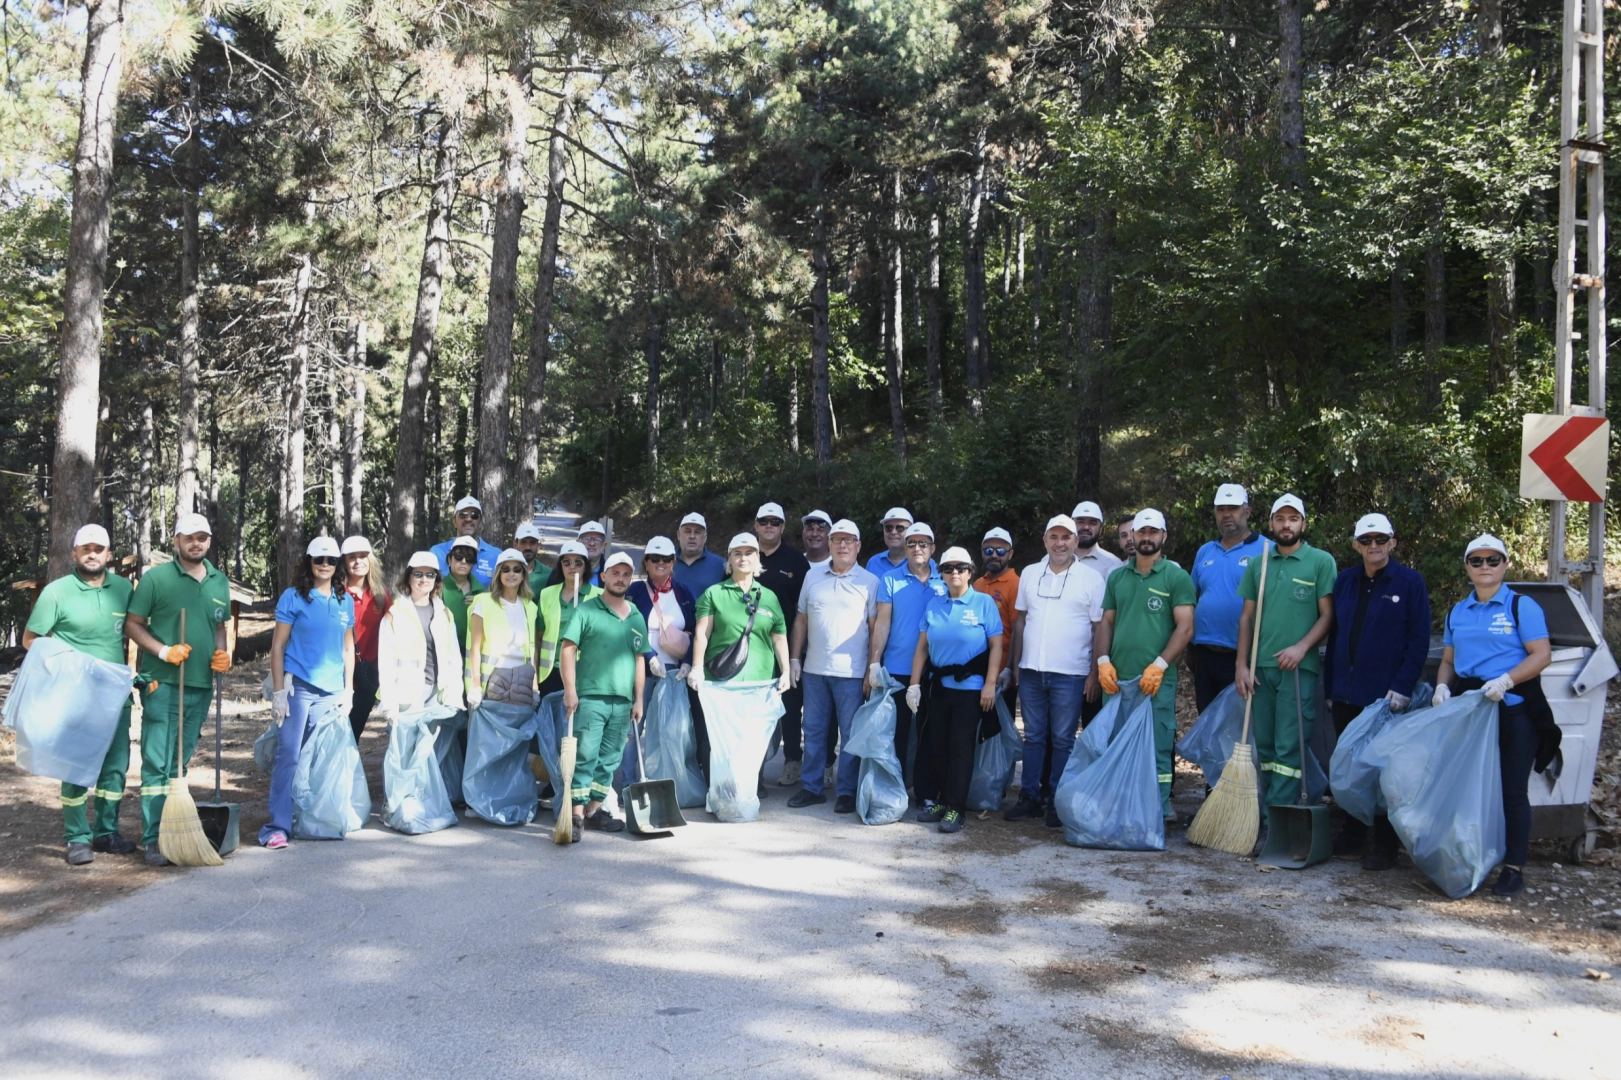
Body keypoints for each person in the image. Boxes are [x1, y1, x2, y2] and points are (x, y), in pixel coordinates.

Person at [1434, 534, 1552, 897]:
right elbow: (1448, 661)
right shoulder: (1458, 611)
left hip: (1513, 710)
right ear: (1467, 566)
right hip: (1471, 713)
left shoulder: (1521, 607)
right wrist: (1441, 687)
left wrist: (1507, 679)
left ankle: (1513, 867)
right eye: (1477, 561)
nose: (1485, 567)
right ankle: (1471, 859)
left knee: (1511, 791)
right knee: (1468, 787)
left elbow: (1541, 654)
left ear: (1505, 565)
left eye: (1493, 560)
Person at [22, 524, 140, 865]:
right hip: (74, 696)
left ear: (109, 555)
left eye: (99, 548)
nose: (92, 553)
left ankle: (106, 832)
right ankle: (77, 837)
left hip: (115, 694)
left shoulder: (122, 589)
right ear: (74, 554)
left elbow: (134, 629)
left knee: (115, 767)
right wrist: (65, 660)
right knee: (75, 766)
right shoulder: (57, 593)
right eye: (85, 548)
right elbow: (32, 639)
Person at [1323, 512, 1431, 869]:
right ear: (1356, 545)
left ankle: (1385, 844)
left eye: (1381, 540)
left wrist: (1401, 687)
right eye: (1366, 540)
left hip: (1385, 697)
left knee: (1385, 771)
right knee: (1351, 765)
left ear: (1393, 543)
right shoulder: (1345, 581)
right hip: (1346, 692)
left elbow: (1418, 640)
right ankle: (1353, 834)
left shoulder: (1409, 582)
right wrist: (1331, 685)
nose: (1374, 546)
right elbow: (1336, 635)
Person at [124, 512, 232, 865]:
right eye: (189, 537)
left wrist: (223, 654)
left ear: (209, 541)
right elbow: (132, 624)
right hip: (164, 683)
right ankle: (154, 839)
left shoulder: (219, 582)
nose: (196, 542)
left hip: (201, 684)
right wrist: (163, 650)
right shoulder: (157, 578)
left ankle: (175, 830)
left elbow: (219, 626)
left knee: (180, 763)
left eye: (202, 537)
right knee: (157, 762)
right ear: (176, 541)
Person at [1234, 494, 1337, 837]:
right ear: (1271, 524)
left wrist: (1301, 647)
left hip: (1297, 670)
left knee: (1288, 746)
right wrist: (1242, 665)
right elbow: (1247, 618)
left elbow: (1327, 616)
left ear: (1303, 524)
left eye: (1293, 519)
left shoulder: (1320, 562)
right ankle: (1265, 819)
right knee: (1264, 747)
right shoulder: (1258, 563)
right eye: (1280, 519)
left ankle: (1279, 821)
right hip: (1260, 669)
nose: (1286, 525)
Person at [1095, 509, 1197, 821]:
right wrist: (1102, 662)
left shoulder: (1175, 577)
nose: (1147, 537)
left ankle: (1157, 808)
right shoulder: (1117, 577)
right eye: (1142, 532)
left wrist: (1160, 664)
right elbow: (1106, 624)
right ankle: (1119, 808)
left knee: (1156, 747)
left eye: (1154, 532)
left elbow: (1186, 627)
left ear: (1164, 536)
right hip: (1117, 679)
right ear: (1133, 537)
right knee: (1116, 745)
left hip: (1155, 680)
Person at [1007, 514, 1106, 827]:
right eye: (1054, 537)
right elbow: (1020, 621)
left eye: (1066, 538)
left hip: (1071, 673)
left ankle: (1056, 799)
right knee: (1033, 736)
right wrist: (1017, 664)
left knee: (1063, 738)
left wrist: (1094, 673)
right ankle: (1029, 796)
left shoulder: (1091, 579)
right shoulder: (1030, 573)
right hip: (1033, 671)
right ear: (1045, 541)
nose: (1060, 543)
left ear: (1076, 541)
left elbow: (1099, 628)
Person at [263, 536, 356, 849]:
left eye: (331, 561)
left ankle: (311, 819)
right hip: (298, 686)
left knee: (319, 757)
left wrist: (349, 689)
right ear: (309, 562)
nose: (325, 566)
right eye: (319, 560)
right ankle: (276, 826)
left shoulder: (345, 600)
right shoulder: (293, 597)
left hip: (331, 691)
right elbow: (277, 647)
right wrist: (278, 692)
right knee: (288, 754)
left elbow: (347, 647)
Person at [906, 546, 1004, 834]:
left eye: (960, 567)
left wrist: (990, 684)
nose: (954, 573)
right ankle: (940, 800)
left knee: (961, 749)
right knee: (937, 746)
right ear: (942, 574)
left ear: (970, 571)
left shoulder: (983, 603)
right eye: (948, 568)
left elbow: (997, 646)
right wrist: (914, 685)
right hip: (938, 688)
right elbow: (922, 648)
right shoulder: (935, 604)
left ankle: (956, 808)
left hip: (970, 689)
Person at [688, 533, 793, 798]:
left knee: (754, 738)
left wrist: (786, 670)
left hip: (760, 682)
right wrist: (697, 667)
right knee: (718, 740)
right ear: (729, 559)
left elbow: (779, 637)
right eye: (737, 553)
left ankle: (750, 786)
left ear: (758, 559)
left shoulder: (768, 596)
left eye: (749, 553)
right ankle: (720, 790)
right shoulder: (714, 593)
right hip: (721, 683)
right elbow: (702, 633)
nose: (743, 558)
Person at [787, 519, 879, 814]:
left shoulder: (870, 582)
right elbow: (801, 619)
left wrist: (871, 668)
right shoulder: (813, 577)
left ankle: (847, 792)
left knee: (850, 734)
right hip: (814, 669)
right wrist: (794, 658)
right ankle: (812, 787)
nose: (842, 545)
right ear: (829, 544)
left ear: (858, 546)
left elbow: (875, 626)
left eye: (849, 540)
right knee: (812, 730)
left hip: (852, 674)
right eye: (837, 540)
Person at [559, 552, 649, 839]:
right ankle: (574, 816)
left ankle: (594, 811)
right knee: (584, 756)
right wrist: (570, 691)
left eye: (626, 574)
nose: (621, 579)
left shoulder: (635, 615)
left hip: (622, 702)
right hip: (591, 697)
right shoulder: (586, 610)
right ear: (605, 576)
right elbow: (568, 650)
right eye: (616, 573)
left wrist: (639, 699)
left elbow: (639, 659)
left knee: (610, 759)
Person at [867, 522, 945, 793]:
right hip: (899, 666)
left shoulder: (945, 577)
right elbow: (883, 622)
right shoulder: (890, 579)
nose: (917, 548)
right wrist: (875, 662)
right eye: (911, 543)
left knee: (929, 733)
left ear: (933, 548)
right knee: (897, 733)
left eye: (923, 543)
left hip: (935, 668)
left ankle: (925, 792)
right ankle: (894, 790)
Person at [1189, 484, 1266, 712]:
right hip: (1204, 653)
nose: (1226, 514)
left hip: (1244, 655)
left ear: (1247, 511)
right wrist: (1190, 648)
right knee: (1207, 722)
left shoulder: (1265, 550)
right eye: (1221, 509)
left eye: (1233, 508)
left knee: (1238, 727)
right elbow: (1194, 597)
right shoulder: (1205, 551)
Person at [754, 502, 811, 786]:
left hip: (787, 647)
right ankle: (755, 768)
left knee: (790, 706)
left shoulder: (796, 561)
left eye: (775, 522)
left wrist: (798, 654)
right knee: (755, 710)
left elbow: (804, 610)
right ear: (756, 526)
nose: (769, 526)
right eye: (764, 521)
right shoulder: (746, 556)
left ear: (783, 528)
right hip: (751, 651)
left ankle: (792, 760)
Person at [375, 552, 465, 720]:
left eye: (430, 574)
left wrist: (455, 695)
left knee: (434, 746)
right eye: (418, 574)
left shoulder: (444, 613)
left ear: (436, 579)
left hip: (438, 694)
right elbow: (386, 662)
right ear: (409, 577)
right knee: (405, 747)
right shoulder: (394, 614)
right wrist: (390, 703)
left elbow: (453, 659)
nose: (424, 579)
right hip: (406, 697)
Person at [465, 550, 539, 713]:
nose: (511, 574)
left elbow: (531, 649)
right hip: (489, 683)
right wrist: (475, 684)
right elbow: (475, 648)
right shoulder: (483, 602)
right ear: (498, 573)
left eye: (516, 569)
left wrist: (534, 686)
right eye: (505, 569)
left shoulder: (530, 607)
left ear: (523, 575)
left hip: (521, 683)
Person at [536, 540, 603, 700]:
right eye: (566, 562)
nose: (572, 566)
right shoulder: (547, 594)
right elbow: (539, 637)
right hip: (550, 673)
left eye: (578, 562)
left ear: (585, 566)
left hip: (584, 672)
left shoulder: (599, 596)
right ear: (560, 566)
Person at [627, 536, 696, 684]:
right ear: (646, 562)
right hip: (641, 670)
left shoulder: (684, 592)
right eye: (655, 558)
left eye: (666, 559)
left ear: (673, 563)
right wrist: (650, 656)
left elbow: (696, 629)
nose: (661, 563)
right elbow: (628, 627)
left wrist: (688, 661)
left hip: (676, 673)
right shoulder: (636, 590)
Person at [340, 536, 389, 741]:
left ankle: (346, 773)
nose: (358, 561)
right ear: (344, 562)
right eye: (352, 557)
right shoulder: (335, 594)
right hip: (338, 679)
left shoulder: (380, 595)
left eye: (363, 556)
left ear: (371, 560)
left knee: (353, 735)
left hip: (367, 678)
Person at [972, 527, 1019, 716]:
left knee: (1000, 729)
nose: (994, 555)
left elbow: (1018, 630)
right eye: (988, 550)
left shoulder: (1016, 584)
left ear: (1010, 554)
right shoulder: (977, 584)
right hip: (977, 670)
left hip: (1001, 672)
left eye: (1000, 551)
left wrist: (1009, 669)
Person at [430, 496, 502, 586]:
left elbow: (502, 592)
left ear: (480, 521)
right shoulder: (437, 552)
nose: (468, 519)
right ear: (454, 521)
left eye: (474, 515)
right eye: (463, 515)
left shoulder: (496, 555)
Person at [441, 536, 484, 645]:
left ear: (473, 563)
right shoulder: (437, 588)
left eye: (469, 558)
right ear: (450, 560)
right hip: (444, 653)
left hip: (472, 655)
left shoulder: (483, 593)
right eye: (459, 556)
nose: (464, 561)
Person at [672, 512, 728, 597]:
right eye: (687, 531)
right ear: (679, 535)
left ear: (705, 537)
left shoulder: (721, 565)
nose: (692, 536)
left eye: (697, 532)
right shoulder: (666, 562)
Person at [545, 521, 608, 588]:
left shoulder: (610, 573)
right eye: (587, 539)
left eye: (597, 539)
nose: (592, 543)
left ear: (604, 545)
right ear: (578, 542)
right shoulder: (560, 572)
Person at [1072, 501, 1124, 579]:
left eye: (1092, 523)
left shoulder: (1113, 564)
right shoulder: (1054, 559)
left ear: (1100, 528)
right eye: (1080, 522)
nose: (1086, 527)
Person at [866, 507, 914, 577]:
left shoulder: (923, 562)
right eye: (889, 528)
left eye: (900, 528)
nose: (893, 532)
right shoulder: (873, 562)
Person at [513, 520, 547, 596]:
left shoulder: (548, 574)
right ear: (515, 545)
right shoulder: (506, 572)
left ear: (538, 546)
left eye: (532, 542)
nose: (528, 547)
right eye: (523, 542)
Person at [801, 509, 833, 575]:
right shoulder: (794, 562)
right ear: (803, 534)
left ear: (830, 537)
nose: (814, 534)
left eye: (820, 530)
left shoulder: (837, 565)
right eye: (810, 529)